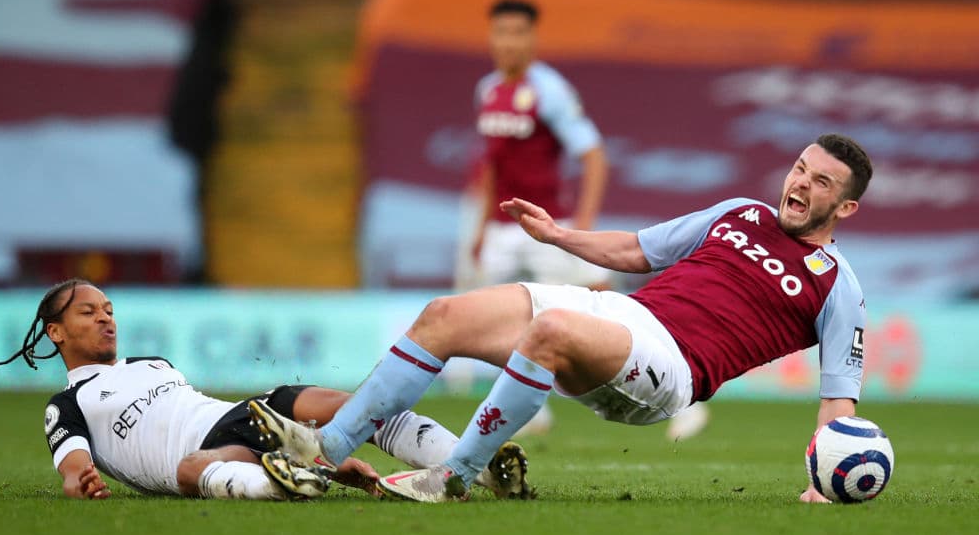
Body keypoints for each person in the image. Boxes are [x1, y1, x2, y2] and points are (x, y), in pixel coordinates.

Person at [259, 134, 872, 504]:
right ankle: (325, 451)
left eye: (820, 182)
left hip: (672, 368)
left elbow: (837, 401)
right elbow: (637, 251)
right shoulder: (742, 212)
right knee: (443, 316)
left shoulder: (838, 285)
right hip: (622, 315)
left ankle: (454, 476)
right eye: (799, 168)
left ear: (844, 206)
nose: (800, 183)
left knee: (546, 333)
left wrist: (823, 481)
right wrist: (557, 236)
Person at [0, 279, 530, 501]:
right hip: (208, 455)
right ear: (56, 333)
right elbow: (71, 466)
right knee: (190, 470)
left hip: (248, 414)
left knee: (356, 406)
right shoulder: (67, 404)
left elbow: (194, 407)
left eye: (109, 310)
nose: (106, 319)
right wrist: (79, 483)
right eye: (89, 313)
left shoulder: (153, 363)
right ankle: (290, 479)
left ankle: (477, 467)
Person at [458, 0, 612, 433]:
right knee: (491, 322)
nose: (508, 42)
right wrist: (480, 226)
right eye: (501, 32)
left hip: (547, 225)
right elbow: (490, 161)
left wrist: (582, 223)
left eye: (518, 32)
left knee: (604, 305)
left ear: (532, 37)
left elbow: (594, 154)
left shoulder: (549, 89)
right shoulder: (487, 90)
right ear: (491, 36)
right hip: (500, 227)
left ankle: (679, 396)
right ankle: (530, 411)